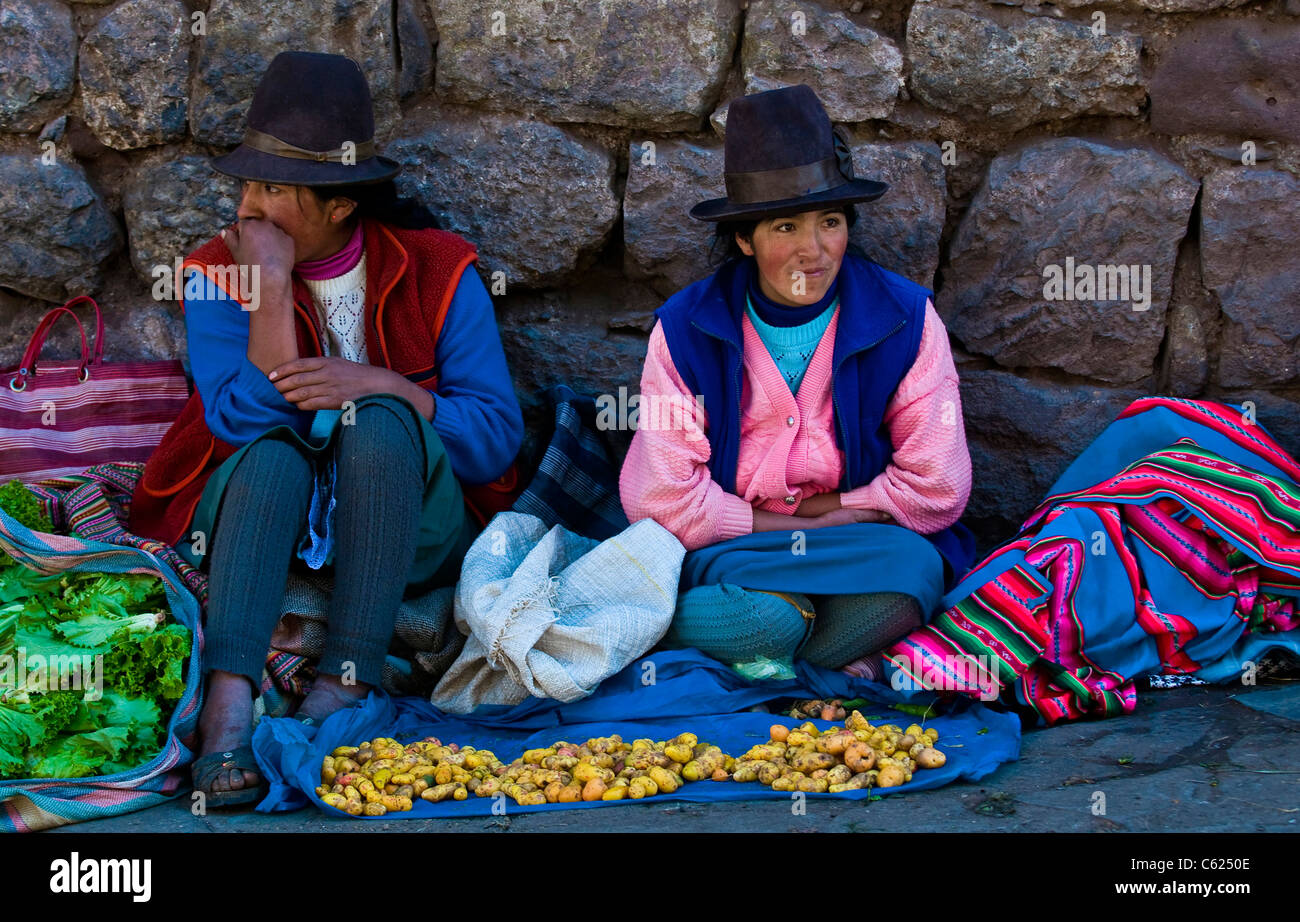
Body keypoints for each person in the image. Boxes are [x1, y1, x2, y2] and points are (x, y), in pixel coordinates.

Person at [129, 52, 524, 806]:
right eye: (247, 183)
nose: (249, 209)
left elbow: (497, 437)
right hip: (263, 511)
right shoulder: (219, 274)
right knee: (275, 455)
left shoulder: (439, 271)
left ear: (341, 202)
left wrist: (386, 386)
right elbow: (238, 418)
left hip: (407, 525)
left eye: (274, 189)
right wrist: (270, 288)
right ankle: (227, 707)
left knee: (376, 418)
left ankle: (348, 677)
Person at [619, 84, 976, 680]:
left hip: (864, 548)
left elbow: (937, 488)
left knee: (909, 581)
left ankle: (769, 661)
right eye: (785, 226)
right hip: (738, 553)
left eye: (830, 222)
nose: (813, 251)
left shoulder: (904, 319)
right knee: (759, 622)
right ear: (744, 238)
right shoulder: (687, 330)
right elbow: (662, 501)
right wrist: (797, 525)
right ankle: (812, 652)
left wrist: (838, 510)